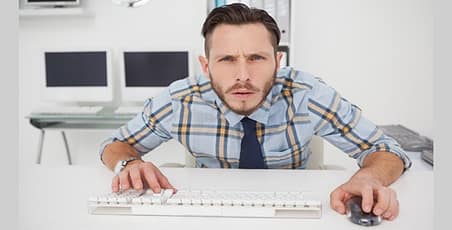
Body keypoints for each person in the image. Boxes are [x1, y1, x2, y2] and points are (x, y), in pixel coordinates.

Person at [99, 3, 411, 221]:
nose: (243, 75)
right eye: (227, 60)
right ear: (206, 66)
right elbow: (114, 145)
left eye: (257, 58)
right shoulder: (180, 99)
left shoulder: (308, 94)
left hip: (292, 216)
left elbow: (386, 149)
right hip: (207, 215)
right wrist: (129, 163)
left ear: (278, 61)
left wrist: (369, 176)